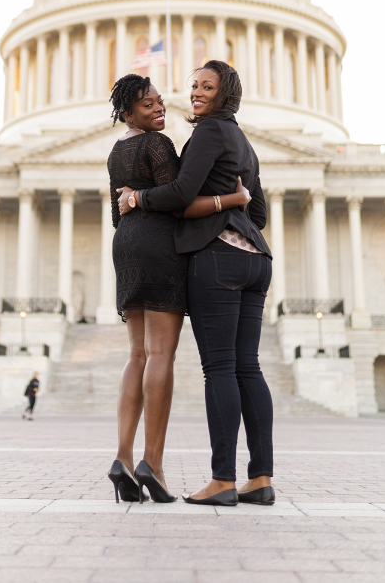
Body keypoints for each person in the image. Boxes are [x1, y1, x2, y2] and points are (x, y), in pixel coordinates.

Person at [118, 60, 274, 507]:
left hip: (220, 262)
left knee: (221, 369)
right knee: (249, 368)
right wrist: (231, 204)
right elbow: (257, 213)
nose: (197, 93)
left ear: (226, 95)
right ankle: (260, 477)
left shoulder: (206, 133)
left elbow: (181, 197)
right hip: (256, 261)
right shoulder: (244, 142)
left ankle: (223, 479)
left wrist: (139, 197)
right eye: (195, 86)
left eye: (208, 86)